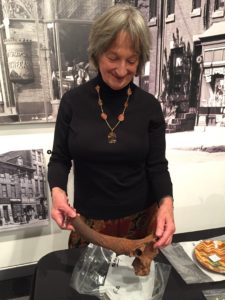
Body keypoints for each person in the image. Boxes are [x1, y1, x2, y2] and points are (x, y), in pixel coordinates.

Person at [48, 4, 175, 250]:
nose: (121, 70)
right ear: (97, 53)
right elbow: (60, 159)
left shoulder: (149, 106)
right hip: (87, 224)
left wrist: (167, 204)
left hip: (142, 223)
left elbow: (157, 166)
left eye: (131, 60)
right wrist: (57, 191)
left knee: (138, 286)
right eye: (113, 57)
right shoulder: (72, 102)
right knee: (87, 288)